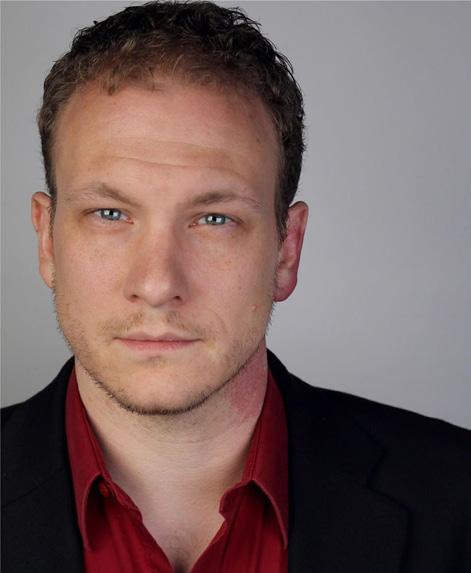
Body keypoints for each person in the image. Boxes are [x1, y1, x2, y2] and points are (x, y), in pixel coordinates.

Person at [2, 2, 470, 572]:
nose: (157, 284)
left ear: (286, 251)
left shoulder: (457, 498)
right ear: (47, 241)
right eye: (109, 213)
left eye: (214, 219)